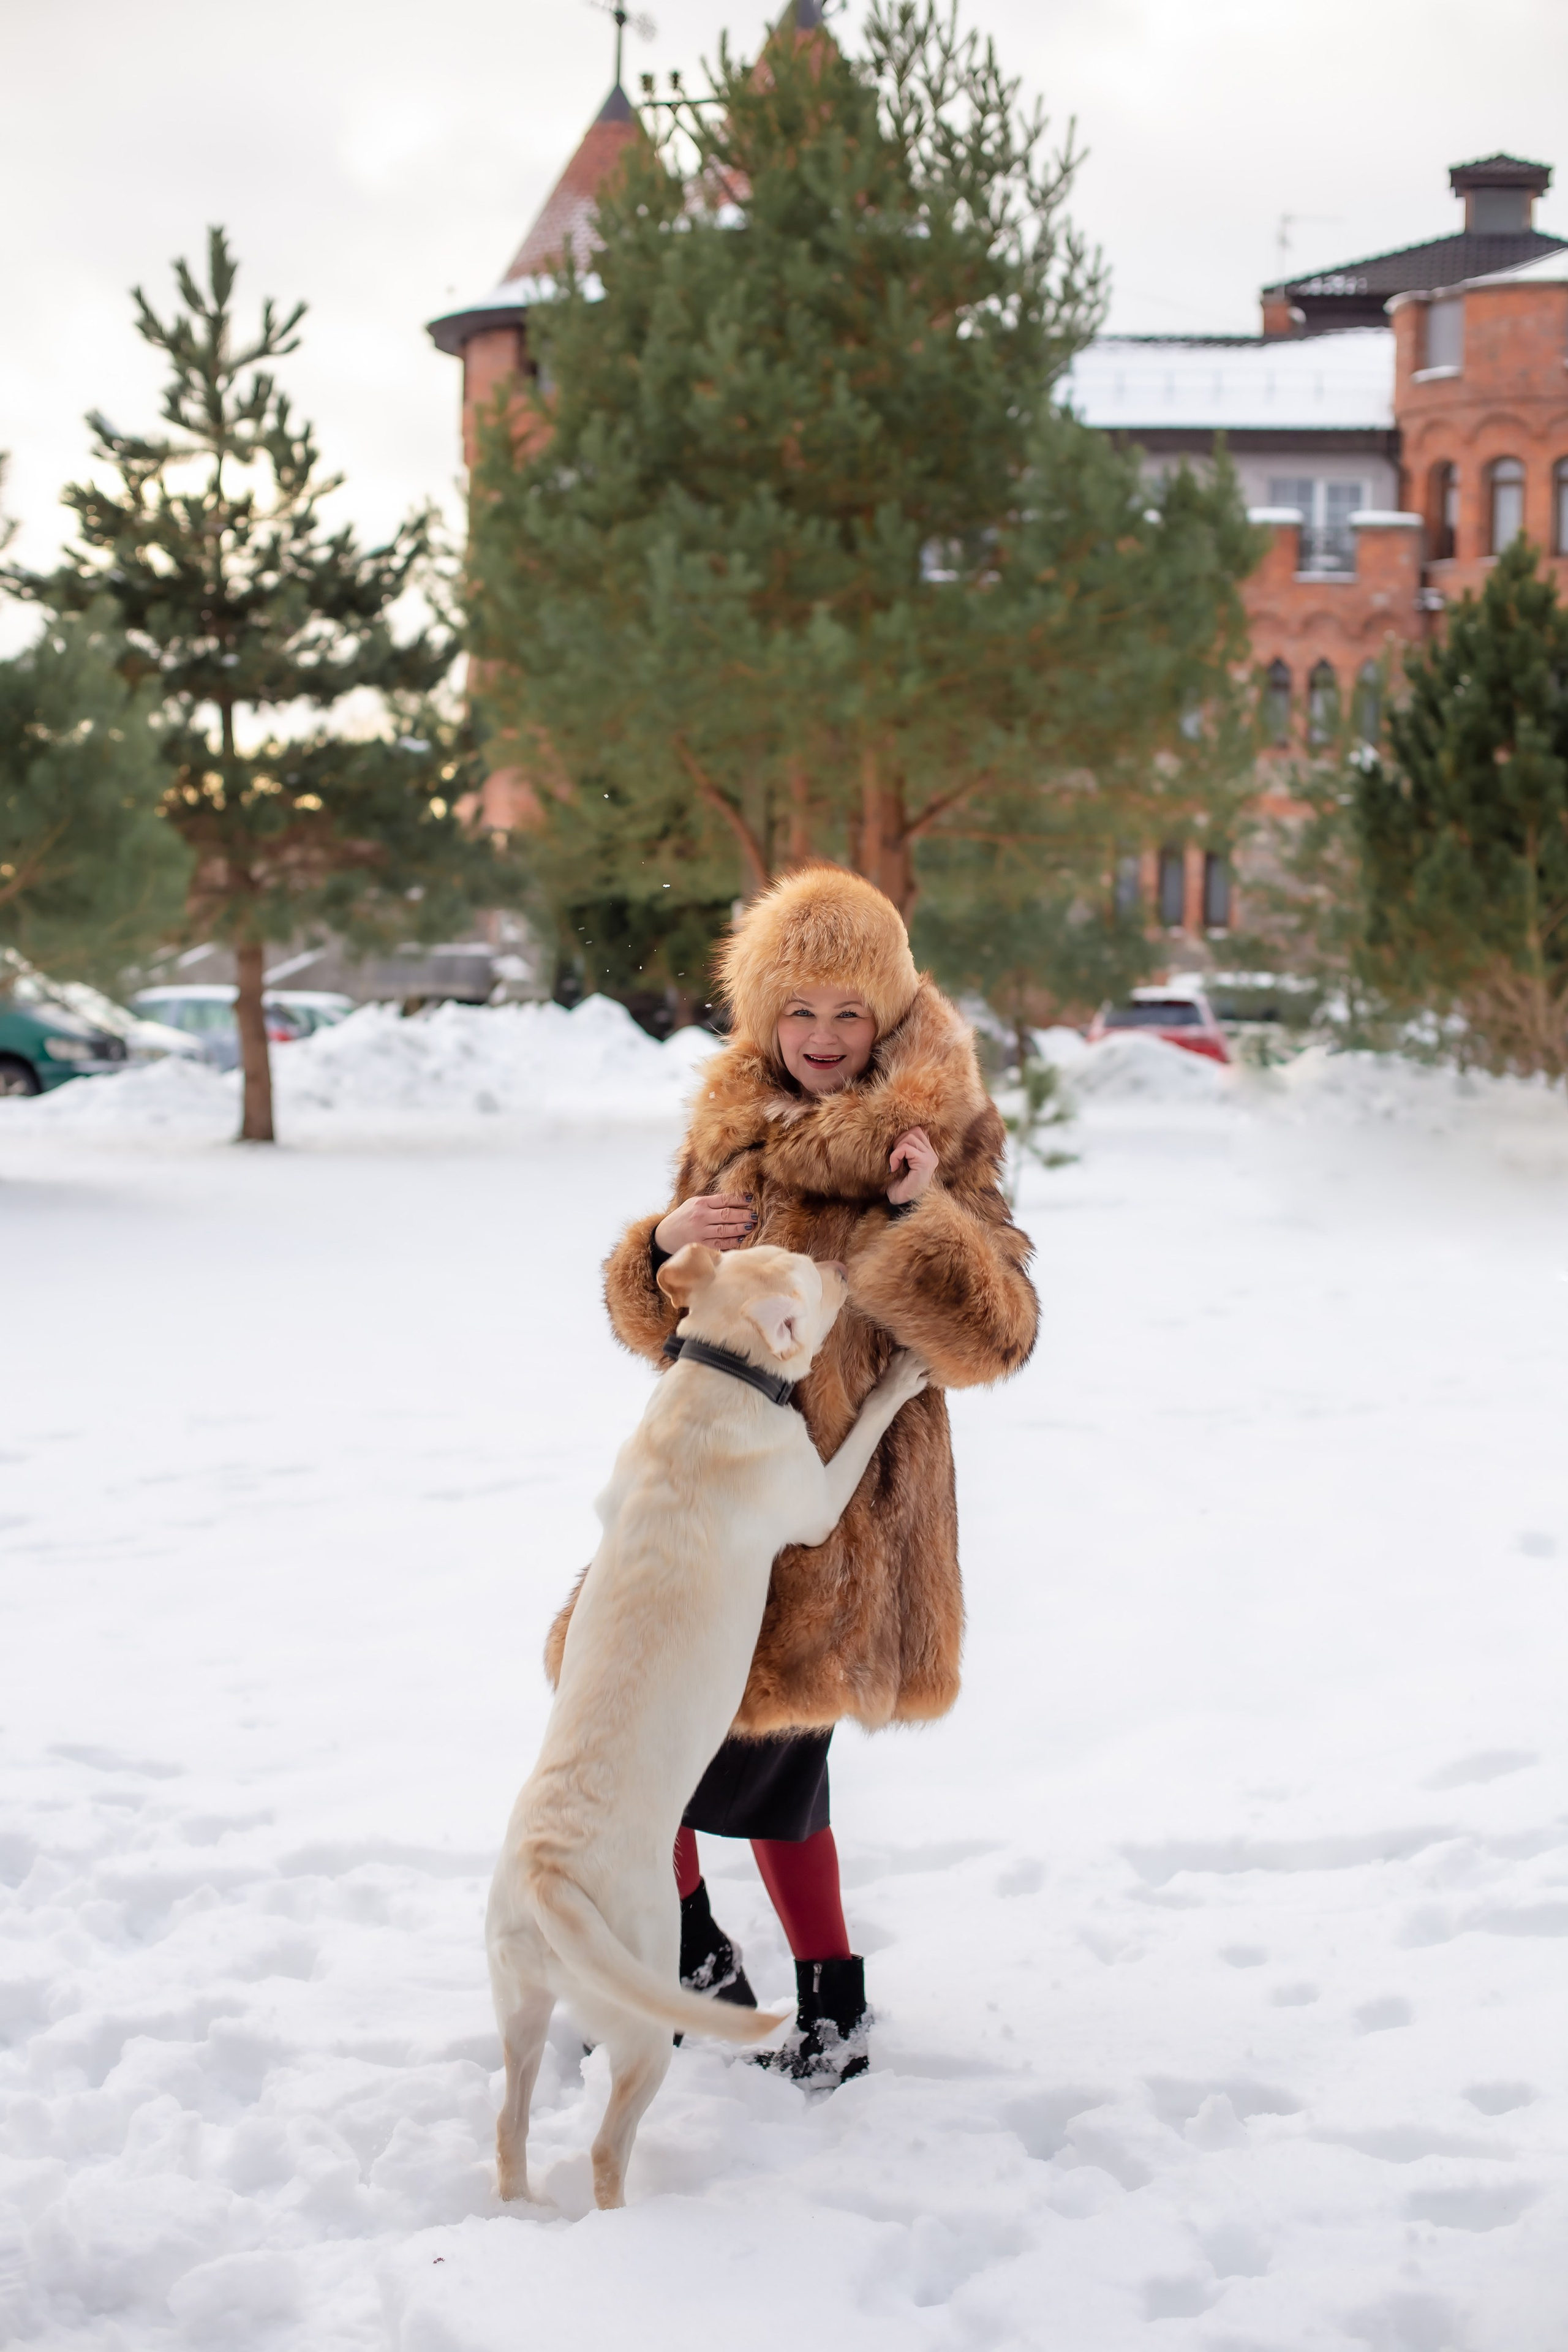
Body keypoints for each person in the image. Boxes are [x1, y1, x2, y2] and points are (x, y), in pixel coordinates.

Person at [545, 865, 1038, 2083]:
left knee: (769, 1761)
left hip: (834, 1513)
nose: (819, 1040)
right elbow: (656, 1328)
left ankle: (825, 2002)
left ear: (884, 1015)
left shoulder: (943, 1135)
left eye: (845, 1014)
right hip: (699, 1493)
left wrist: (927, 1217)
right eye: (797, 1014)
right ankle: (697, 1956)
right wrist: (662, 1248)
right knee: (629, 1729)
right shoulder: (731, 1129)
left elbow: (997, 1336)